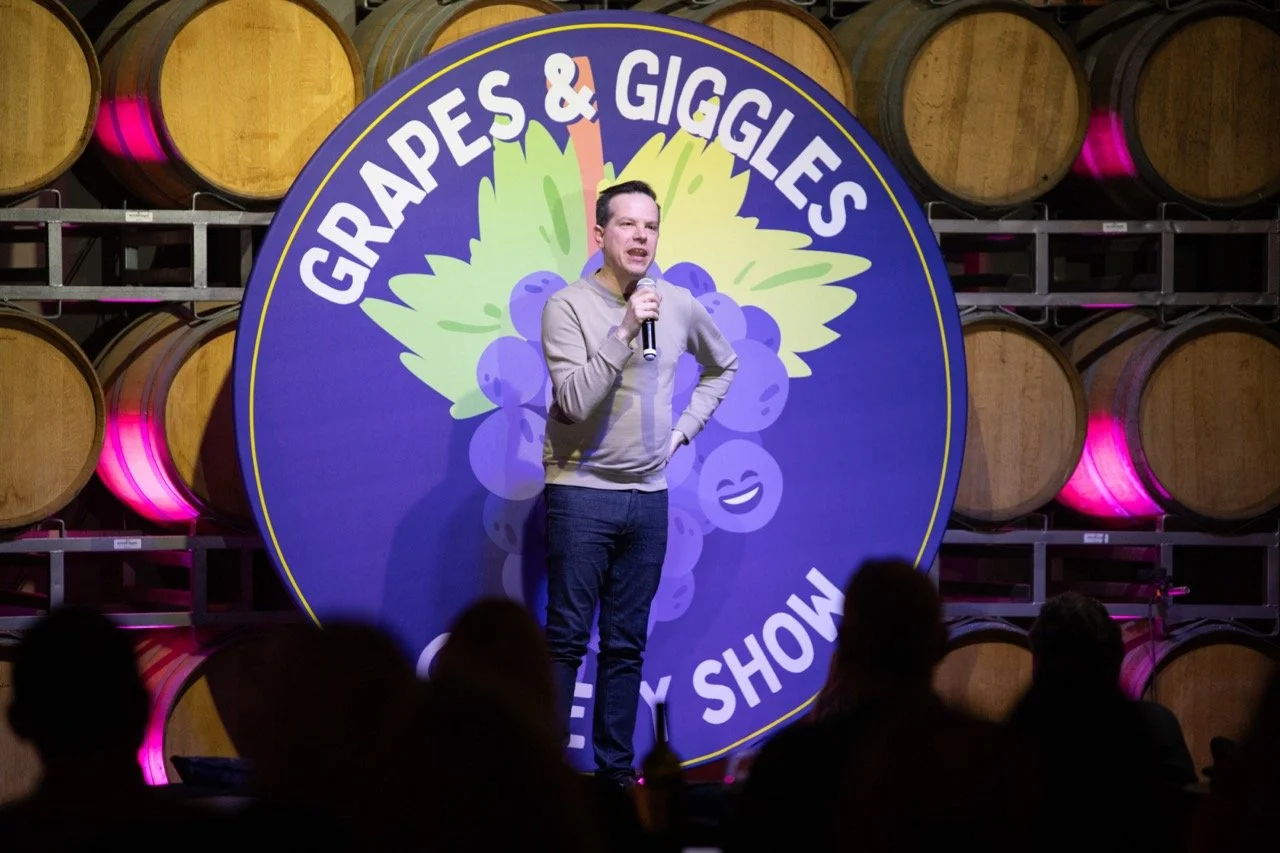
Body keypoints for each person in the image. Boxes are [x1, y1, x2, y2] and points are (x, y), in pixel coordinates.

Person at [540, 179, 738, 786]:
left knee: (626, 645)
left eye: (650, 226)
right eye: (627, 225)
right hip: (580, 493)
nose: (641, 237)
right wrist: (623, 331)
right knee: (568, 639)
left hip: (648, 500)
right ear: (601, 235)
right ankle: (542, 775)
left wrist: (682, 432)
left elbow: (722, 364)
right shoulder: (568, 306)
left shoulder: (673, 303)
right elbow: (572, 403)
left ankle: (616, 774)